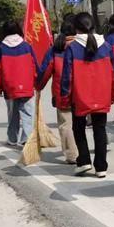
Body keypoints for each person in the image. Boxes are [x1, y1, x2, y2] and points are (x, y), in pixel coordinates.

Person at [61, 12, 114, 179]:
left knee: (78, 128)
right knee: (99, 129)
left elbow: (67, 76)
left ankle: (84, 160)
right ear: (92, 26)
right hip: (101, 95)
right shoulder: (106, 46)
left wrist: (64, 96)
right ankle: (101, 167)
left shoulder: (72, 48)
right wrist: (113, 95)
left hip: (79, 96)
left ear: (76, 28)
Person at [36, 17, 79, 164]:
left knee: (66, 124)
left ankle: (72, 155)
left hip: (63, 93)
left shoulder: (56, 49)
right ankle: (90, 150)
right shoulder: (84, 46)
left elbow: (46, 70)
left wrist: (38, 86)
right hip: (84, 92)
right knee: (84, 123)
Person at [0, 20, 38, 147]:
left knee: (12, 114)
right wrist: (36, 81)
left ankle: (12, 138)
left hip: (9, 87)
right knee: (28, 114)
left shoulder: (1, 48)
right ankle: (26, 139)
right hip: (27, 86)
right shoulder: (27, 46)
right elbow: (34, 66)